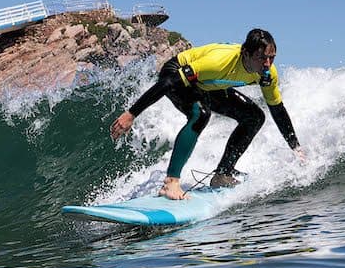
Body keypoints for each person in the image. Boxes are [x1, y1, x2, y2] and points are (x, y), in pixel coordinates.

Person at [110, 28, 304, 200]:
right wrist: (132, 114)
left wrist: (295, 147)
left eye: (272, 58)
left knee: (255, 117)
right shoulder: (219, 62)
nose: (267, 64)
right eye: (262, 58)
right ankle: (170, 183)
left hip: (209, 85)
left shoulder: (268, 74)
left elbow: (277, 109)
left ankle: (222, 174)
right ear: (246, 53)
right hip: (175, 72)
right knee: (201, 114)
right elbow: (169, 83)